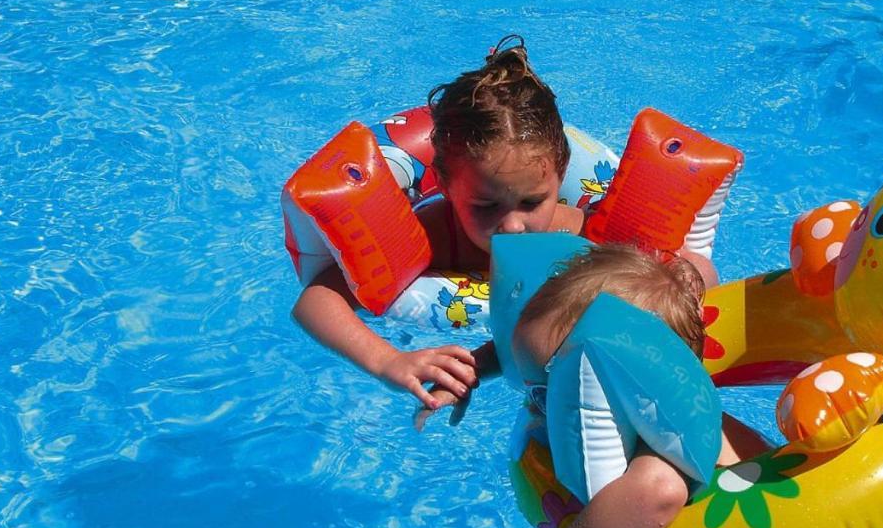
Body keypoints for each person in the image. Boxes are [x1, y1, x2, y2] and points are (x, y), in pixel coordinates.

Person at [293, 36, 718, 412]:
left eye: (533, 201)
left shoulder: (586, 238)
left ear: (562, 171)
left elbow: (692, 269)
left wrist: (689, 285)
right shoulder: (434, 238)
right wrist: (389, 361)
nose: (513, 225)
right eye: (485, 206)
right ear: (443, 183)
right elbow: (314, 301)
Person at [509, 243, 767, 528]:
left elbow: (661, 491)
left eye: (547, 395)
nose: (534, 407)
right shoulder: (666, 423)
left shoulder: (660, 461)